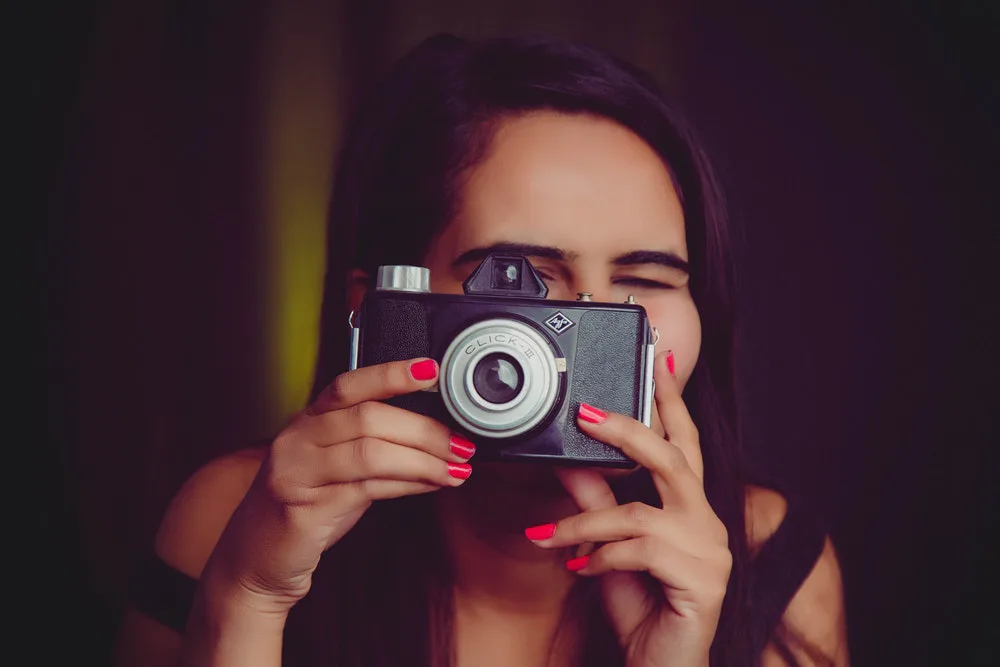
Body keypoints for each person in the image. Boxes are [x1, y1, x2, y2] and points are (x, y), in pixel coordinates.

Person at [114, 34, 848, 667]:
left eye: (643, 279)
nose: (586, 326)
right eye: (520, 279)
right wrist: (249, 596)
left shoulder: (772, 562)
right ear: (382, 309)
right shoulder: (236, 519)